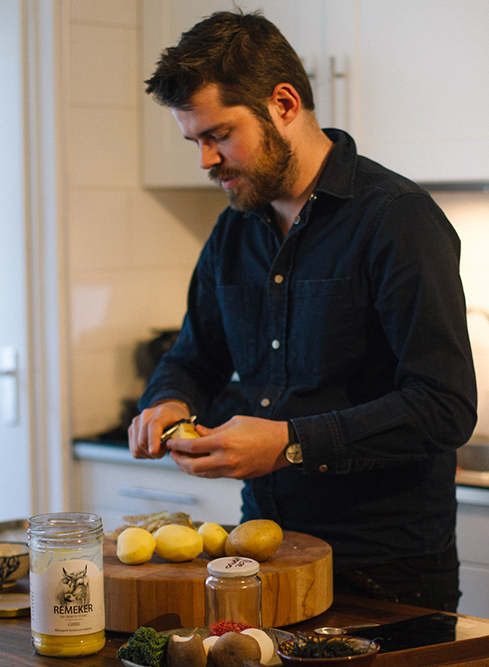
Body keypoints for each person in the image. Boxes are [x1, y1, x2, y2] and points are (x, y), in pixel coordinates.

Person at [129, 10, 477, 612]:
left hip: (385, 573)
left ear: (284, 104)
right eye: (196, 142)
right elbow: (195, 356)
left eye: (219, 135)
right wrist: (170, 400)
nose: (206, 161)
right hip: (260, 555)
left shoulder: (398, 219)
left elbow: (445, 407)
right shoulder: (232, 234)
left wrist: (291, 443)